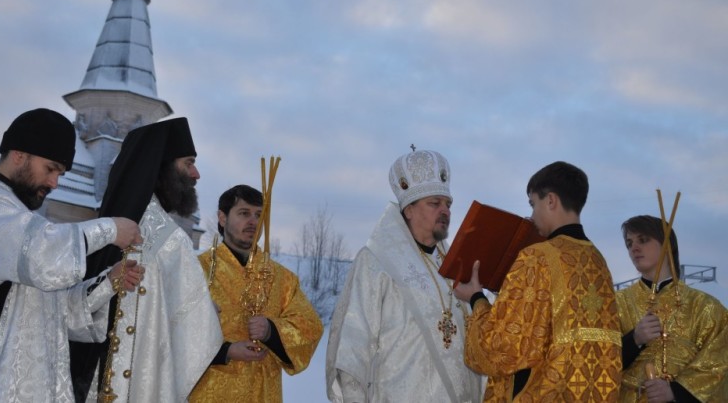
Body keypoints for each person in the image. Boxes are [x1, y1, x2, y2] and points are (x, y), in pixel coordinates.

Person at [0, 108, 143, 402]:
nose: (55, 183)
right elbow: (41, 255)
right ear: (19, 154)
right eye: (51, 168)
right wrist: (109, 229)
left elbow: (55, 310)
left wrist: (109, 282)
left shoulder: (17, 219)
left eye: (61, 174)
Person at [69, 117, 223, 402]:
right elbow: (200, 336)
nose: (196, 173)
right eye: (188, 163)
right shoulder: (170, 239)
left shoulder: (108, 223)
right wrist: (207, 311)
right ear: (162, 165)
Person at [454, 160, 622, 401]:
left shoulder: (537, 257)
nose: (531, 215)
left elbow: (503, 347)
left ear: (551, 200)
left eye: (533, 204)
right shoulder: (597, 262)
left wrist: (476, 298)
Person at [326, 149, 483, 403]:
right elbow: (353, 349)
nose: (445, 211)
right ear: (408, 209)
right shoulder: (375, 263)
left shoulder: (458, 269)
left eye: (448, 204)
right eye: (435, 203)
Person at [189, 184, 323, 402]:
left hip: (263, 393)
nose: (253, 221)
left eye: (259, 215)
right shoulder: (196, 271)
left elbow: (310, 327)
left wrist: (271, 330)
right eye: (244, 213)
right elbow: (174, 334)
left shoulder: (282, 278)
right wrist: (227, 351)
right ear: (222, 218)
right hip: (209, 393)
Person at [616, 215, 728, 402]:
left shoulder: (706, 307)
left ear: (667, 245)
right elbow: (595, 360)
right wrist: (633, 340)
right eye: (629, 243)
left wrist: (675, 391)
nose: (634, 248)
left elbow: (720, 361)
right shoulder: (614, 304)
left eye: (643, 240)